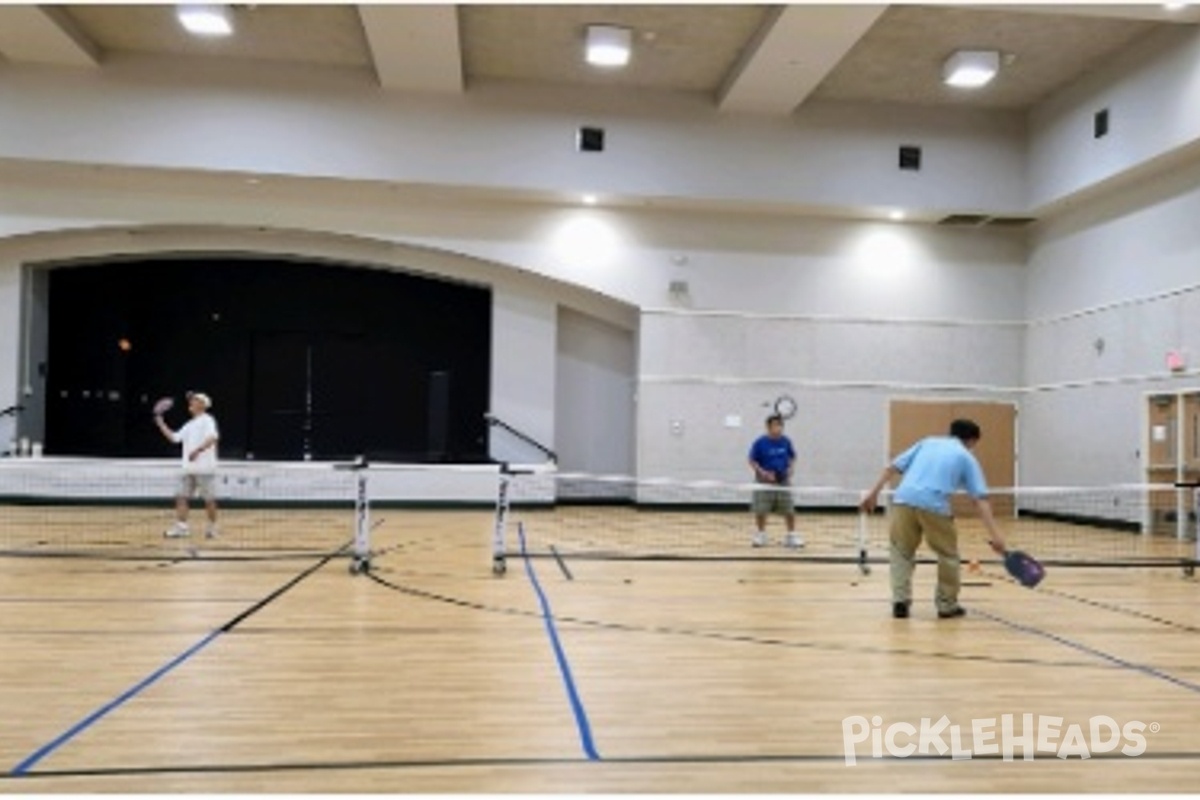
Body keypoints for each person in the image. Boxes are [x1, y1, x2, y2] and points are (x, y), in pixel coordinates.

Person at [860, 418, 1007, 619]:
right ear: (972, 440)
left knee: (901, 552)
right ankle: (946, 605)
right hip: (934, 504)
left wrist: (872, 493)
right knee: (948, 556)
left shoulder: (927, 442)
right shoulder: (966, 456)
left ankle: (900, 601)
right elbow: (980, 499)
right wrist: (996, 536)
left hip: (903, 499)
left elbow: (892, 468)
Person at [155, 391, 220, 539]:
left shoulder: (207, 420)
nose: (191, 402)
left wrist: (198, 450)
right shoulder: (189, 425)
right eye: (191, 400)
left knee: (209, 500)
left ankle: (212, 528)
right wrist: (161, 423)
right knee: (181, 497)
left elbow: (212, 438)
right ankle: (181, 527)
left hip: (205, 469)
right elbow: (174, 438)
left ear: (203, 405)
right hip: (188, 469)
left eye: (195, 400)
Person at [748, 414, 802, 548]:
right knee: (761, 509)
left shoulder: (786, 441)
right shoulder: (760, 442)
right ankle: (761, 535)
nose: (778, 428)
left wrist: (790, 468)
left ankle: (791, 535)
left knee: (789, 509)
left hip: (783, 481)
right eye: (774, 425)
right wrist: (763, 473)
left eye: (780, 425)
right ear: (768, 427)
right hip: (764, 482)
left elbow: (793, 457)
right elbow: (752, 460)